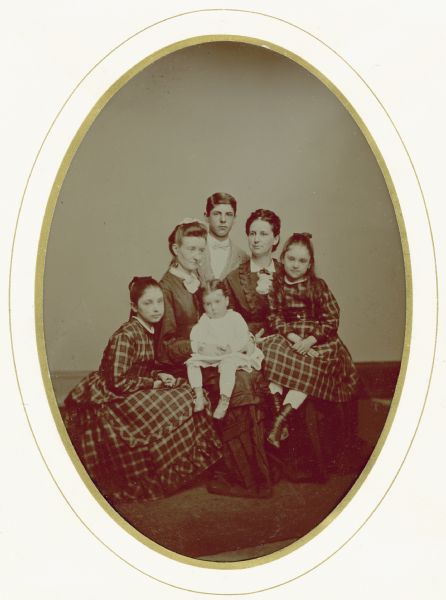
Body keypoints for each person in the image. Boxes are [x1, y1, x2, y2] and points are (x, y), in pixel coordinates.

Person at [63, 276, 222, 502]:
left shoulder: (149, 329)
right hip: (108, 400)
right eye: (148, 303)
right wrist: (153, 382)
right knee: (182, 400)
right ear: (134, 307)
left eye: (159, 302)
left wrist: (158, 375)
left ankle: (184, 465)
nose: (156, 308)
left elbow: (140, 369)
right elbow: (117, 380)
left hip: (131, 388)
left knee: (189, 391)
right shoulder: (127, 335)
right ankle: (159, 472)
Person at [158, 220, 272, 498]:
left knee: (248, 377)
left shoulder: (199, 282)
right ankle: (244, 476)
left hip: (219, 355)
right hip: (192, 360)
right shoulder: (167, 287)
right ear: (175, 249)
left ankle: (259, 470)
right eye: (191, 250)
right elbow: (166, 346)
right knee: (240, 385)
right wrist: (203, 345)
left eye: (201, 250)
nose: (197, 257)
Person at [262, 233, 359, 447]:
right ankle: (279, 413)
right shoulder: (276, 285)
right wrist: (293, 337)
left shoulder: (318, 286)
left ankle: (281, 419)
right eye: (291, 259)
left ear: (309, 264)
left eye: (302, 261)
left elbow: (332, 318)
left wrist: (311, 341)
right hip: (289, 336)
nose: (295, 265)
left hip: (318, 339)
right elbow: (274, 316)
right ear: (283, 258)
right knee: (271, 354)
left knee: (311, 367)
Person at [186, 279, 264, 419]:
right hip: (215, 354)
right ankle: (198, 395)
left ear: (226, 301)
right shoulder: (205, 319)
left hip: (234, 354)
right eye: (208, 304)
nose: (213, 308)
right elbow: (196, 336)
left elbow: (243, 337)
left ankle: (224, 401)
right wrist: (203, 347)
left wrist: (231, 348)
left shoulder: (234, 317)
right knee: (192, 362)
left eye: (217, 302)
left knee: (227, 365)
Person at [224, 208, 281, 336]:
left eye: (263, 234)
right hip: (247, 344)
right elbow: (229, 324)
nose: (256, 240)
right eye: (252, 233)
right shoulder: (233, 279)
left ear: (276, 239)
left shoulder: (287, 273)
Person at [198, 192, 248, 282]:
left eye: (228, 214)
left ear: (234, 219)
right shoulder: (191, 249)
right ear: (206, 217)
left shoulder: (244, 258)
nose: (223, 220)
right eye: (217, 214)